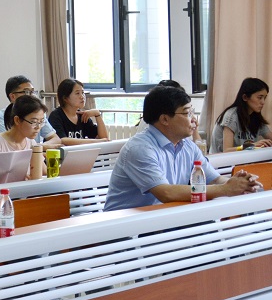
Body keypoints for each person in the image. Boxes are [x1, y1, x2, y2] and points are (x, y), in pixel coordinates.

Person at [105, 85, 260, 211]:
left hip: (162, 218)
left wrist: (240, 184)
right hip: (125, 225)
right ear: (165, 119)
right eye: (187, 113)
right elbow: (166, 193)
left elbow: (215, 179)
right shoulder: (140, 148)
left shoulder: (187, 145)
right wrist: (226, 189)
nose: (193, 119)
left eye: (192, 112)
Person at [0, 94, 49, 179]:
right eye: (34, 122)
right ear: (17, 120)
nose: (38, 127)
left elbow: (44, 172)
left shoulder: (31, 143)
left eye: (41, 122)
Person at [0, 76, 62, 147]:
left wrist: (38, 147)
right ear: (12, 96)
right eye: (27, 92)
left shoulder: (38, 114)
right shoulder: (1, 117)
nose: (32, 95)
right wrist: (36, 148)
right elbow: (9, 146)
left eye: (32, 92)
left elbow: (55, 139)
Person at [209, 78, 272, 153]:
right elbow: (227, 150)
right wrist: (252, 146)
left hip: (243, 158)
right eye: (259, 98)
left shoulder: (256, 117)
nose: (263, 102)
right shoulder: (231, 116)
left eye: (264, 98)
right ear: (245, 97)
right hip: (222, 159)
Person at [47, 78, 109, 144]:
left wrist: (97, 114)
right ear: (65, 98)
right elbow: (62, 140)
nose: (82, 97)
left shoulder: (83, 116)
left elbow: (104, 139)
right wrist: (95, 141)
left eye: (82, 93)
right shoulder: (56, 116)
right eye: (77, 93)